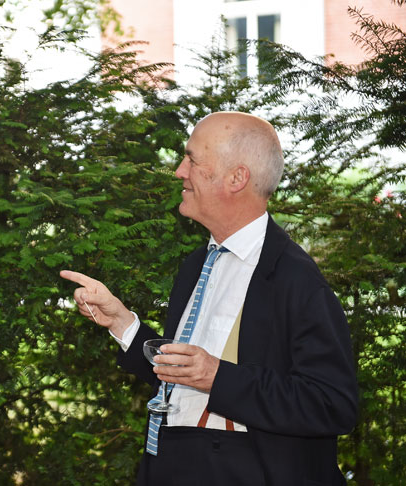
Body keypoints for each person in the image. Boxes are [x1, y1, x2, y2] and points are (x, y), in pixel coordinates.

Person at [61, 111, 358, 485]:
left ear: (237, 178)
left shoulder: (295, 279)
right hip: (175, 465)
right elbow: (181, 380)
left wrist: (219, 378)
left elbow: (332, 405)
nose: (179, 172)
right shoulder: (197, 265)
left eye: (192, 159)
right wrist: (122, 323)